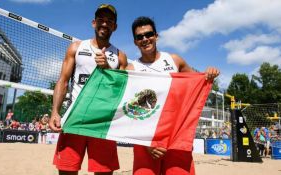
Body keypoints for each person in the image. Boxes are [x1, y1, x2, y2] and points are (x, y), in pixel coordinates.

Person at [126, 16, 219, 175]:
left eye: (148, 34)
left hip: (176, 135)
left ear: (156, 36)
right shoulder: (131, 69)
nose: (145, 39)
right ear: (135, 41)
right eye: (139, 37)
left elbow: (196, 84)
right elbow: (128, 111)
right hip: (146, 139)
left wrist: (208, 75)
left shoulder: (174, 60)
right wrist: (147, 142)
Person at [49, 4, 127, 175]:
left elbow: (120, 92)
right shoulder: (76, 47)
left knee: (104, 172)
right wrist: (55, 111)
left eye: (109, 21)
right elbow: (63, 81)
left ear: (115, 26)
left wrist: (107, 69)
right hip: (74, 118)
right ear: (93, 23)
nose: (104, 24)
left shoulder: (120, 56)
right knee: (67, 171)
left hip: (103, 122)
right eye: (100, 20)